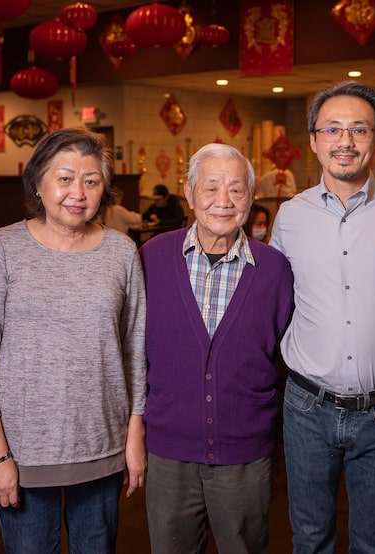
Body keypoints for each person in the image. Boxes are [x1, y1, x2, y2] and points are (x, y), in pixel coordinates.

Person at [0, 127, 147, 553]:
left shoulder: (121, 252)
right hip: (23, 454)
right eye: (64, 178)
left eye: (91, 180)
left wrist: (134, 438)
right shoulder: (3, 248)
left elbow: (134, 352)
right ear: (38, 183)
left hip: (102, 446)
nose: (77, 193)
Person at [269, 81, 375, 553]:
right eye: (332, 129)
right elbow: (269, 301)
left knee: (374, 539)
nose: (345, 141)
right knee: (310, 537)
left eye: (359, 129)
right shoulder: (290, 216)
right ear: (313, 140)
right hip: (306, 408)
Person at [140, 143, 294, 553]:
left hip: (245, 452)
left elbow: (280, 355)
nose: (223, 202)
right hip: (169, 451)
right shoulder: (151, 258)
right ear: (189, 194)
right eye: (210, 189)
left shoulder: (274, 269)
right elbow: (135, 354)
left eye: (236, 190)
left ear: (250, 198)